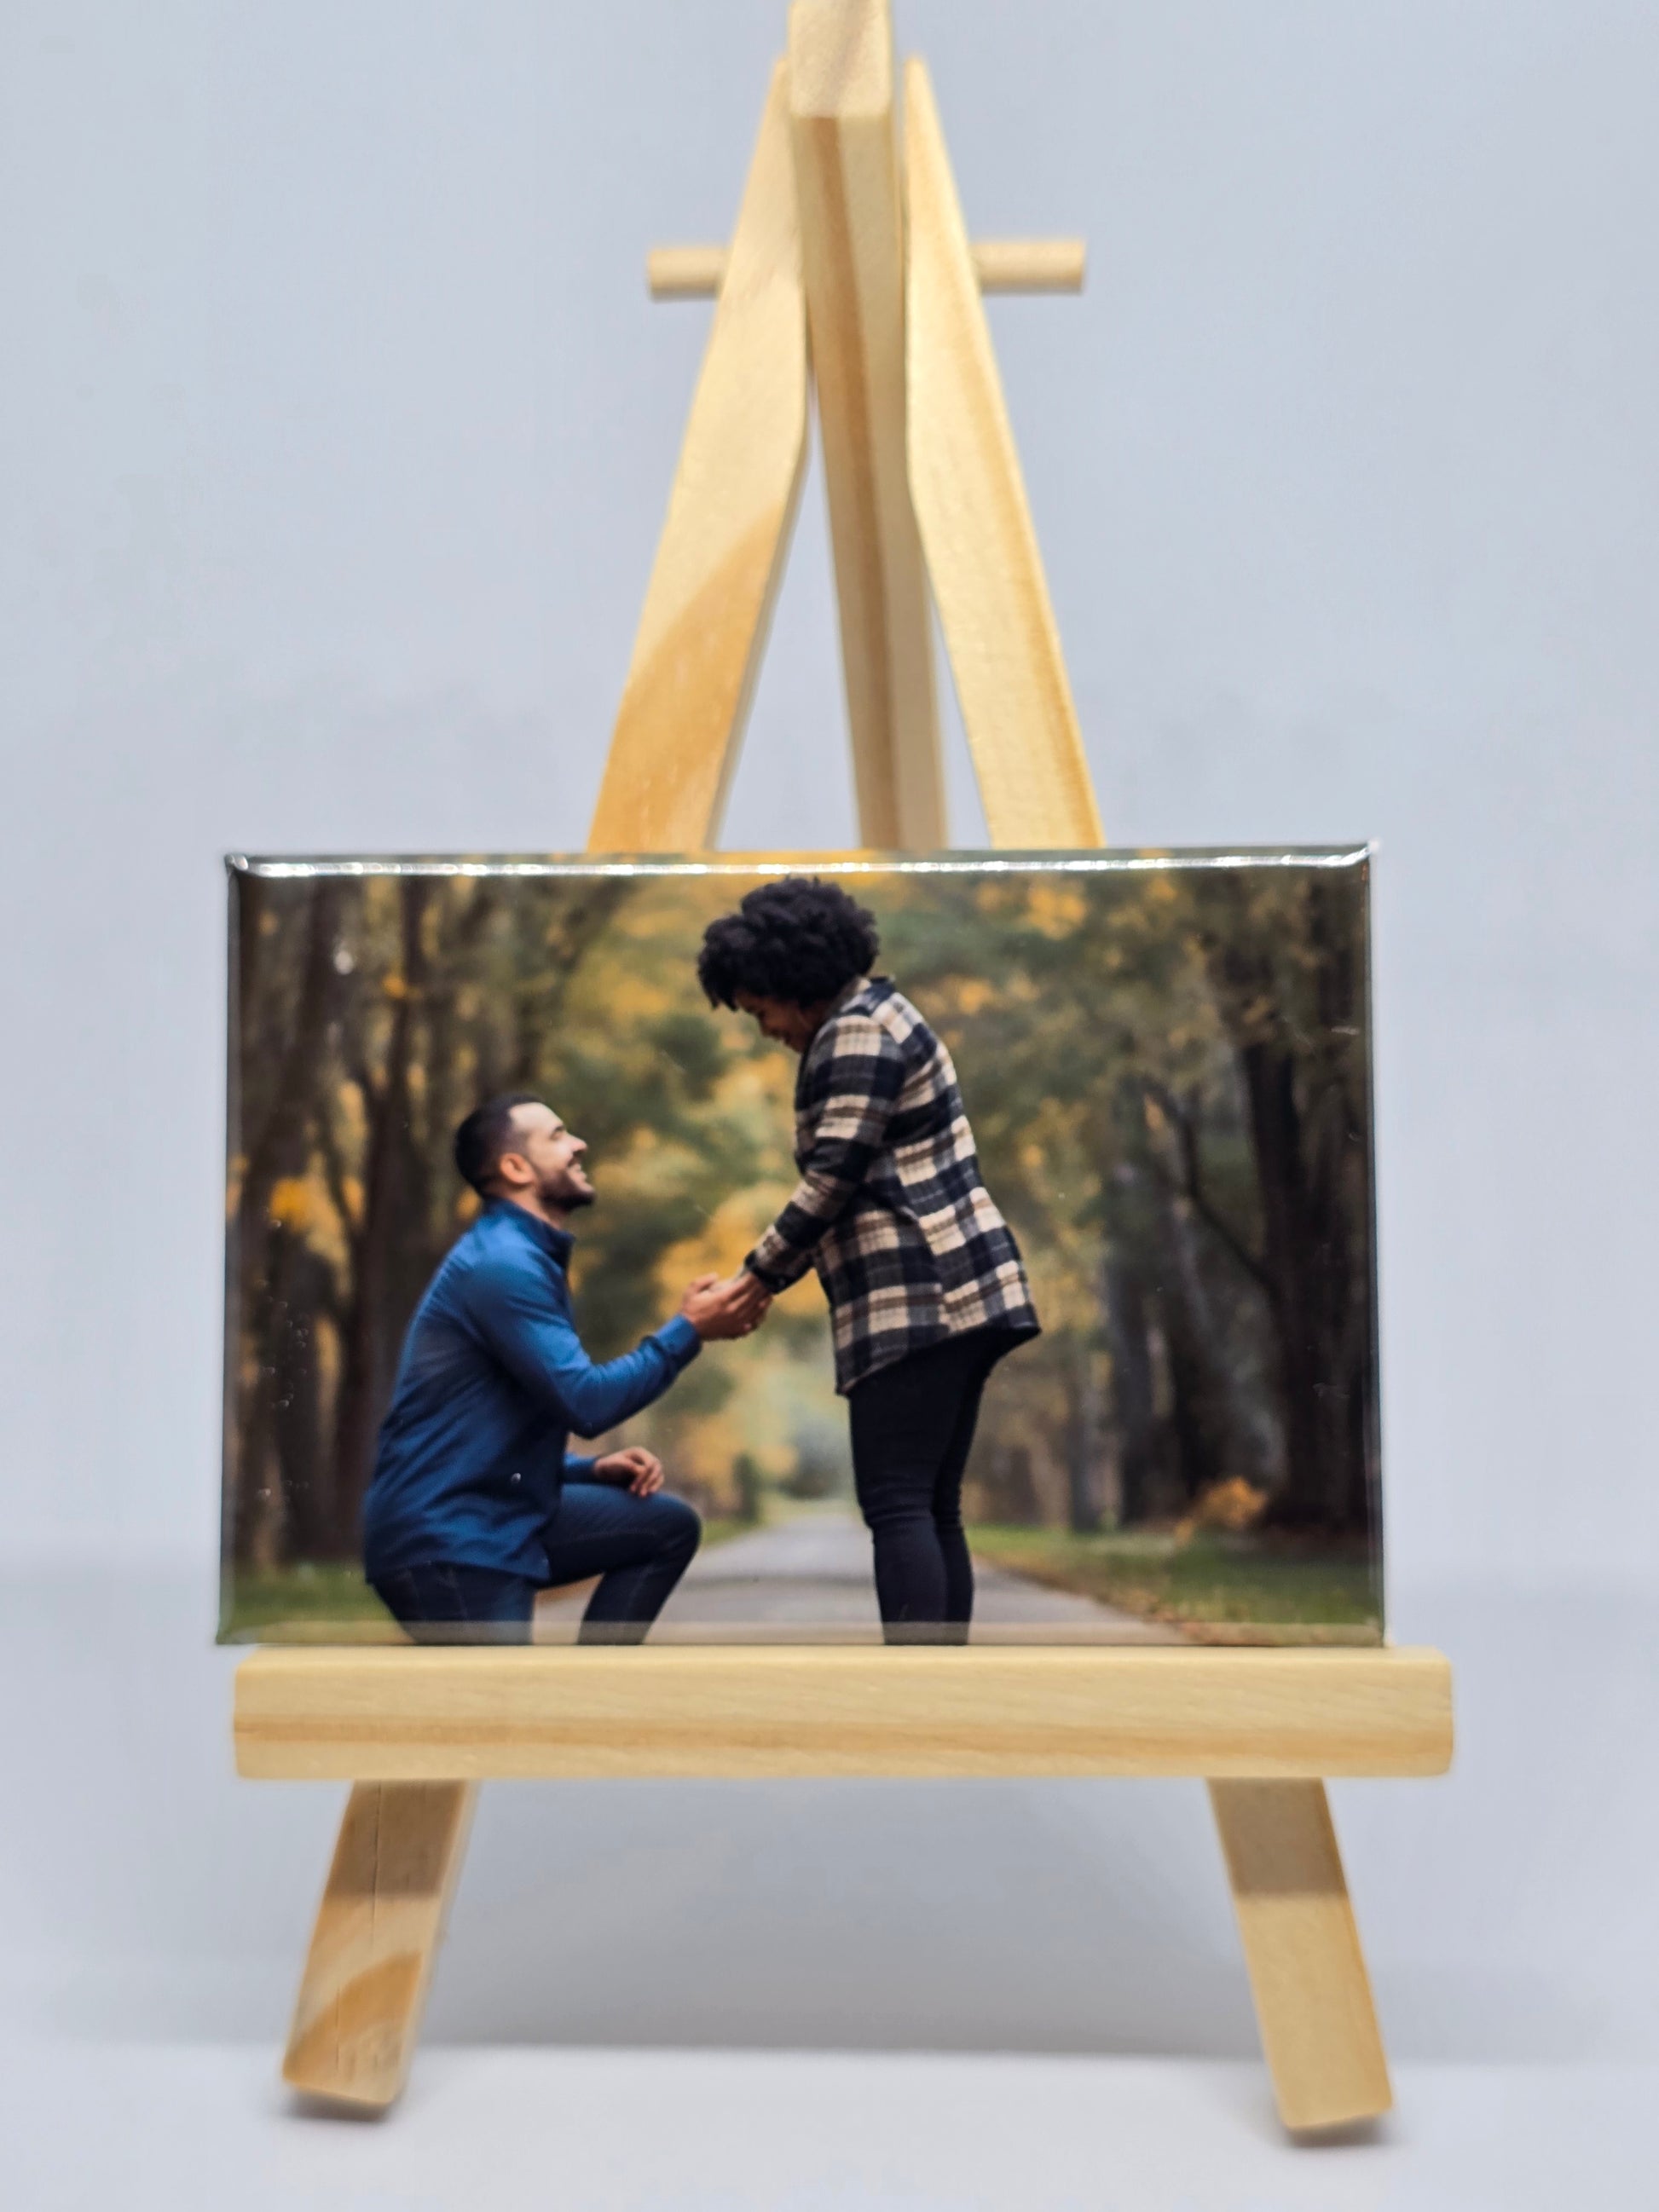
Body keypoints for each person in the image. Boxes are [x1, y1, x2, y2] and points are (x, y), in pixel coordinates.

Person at [697, 876, 1039, 1643]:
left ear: (793, 982)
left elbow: (833, 1177)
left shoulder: (854, 1030)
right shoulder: (879, 1014)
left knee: (896, 1501)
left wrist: (755, 1279)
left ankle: (917, 1693)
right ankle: (938, 1688)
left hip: (919, 1295)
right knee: (927, 1501)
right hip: (957, 1292)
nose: (766, 1029)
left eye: (761, 1009)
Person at [361, 1094, 764, 1643]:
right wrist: (688, 1330)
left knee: (665, 1527)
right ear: (515, 1168)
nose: (578, 1144)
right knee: (502, 1724)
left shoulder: (522, 1256)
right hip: (451, 1536)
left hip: (493, 1515)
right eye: (556, 1136)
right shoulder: (503, 1265)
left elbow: (490, 1429)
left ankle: (591, 1689)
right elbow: (587, 1402)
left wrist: (587, 1471)